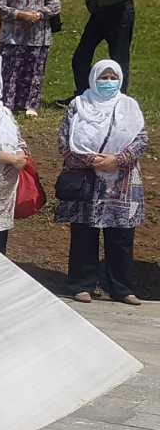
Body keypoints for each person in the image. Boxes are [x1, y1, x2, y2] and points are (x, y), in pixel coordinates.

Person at [56, 60, 147, 305]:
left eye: (112, 77)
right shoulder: (78, 106)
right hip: (87, 178)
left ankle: (122, 288)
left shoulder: (129, 106)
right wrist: (92, 160)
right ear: (93, 78)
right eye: (102, 77)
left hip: (122, 181)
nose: (108, 82)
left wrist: (117, 160)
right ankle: (81, 284)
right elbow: (65, 142)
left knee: (121, 235)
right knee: (84, 233)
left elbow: (141, 139)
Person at [0, 0, 61, 117]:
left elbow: (55, 5)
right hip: (12, 36)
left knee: (34, 71)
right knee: (10, 70)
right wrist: (20, 14)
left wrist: (38, 14)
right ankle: (7, 103)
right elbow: (0, 7)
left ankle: (30, 105)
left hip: (38, 36)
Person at [0, 100, 28, 255]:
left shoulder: (5, 112)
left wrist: (21, 155)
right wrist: (10, 159)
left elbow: (20, 140)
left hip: (6, 186)